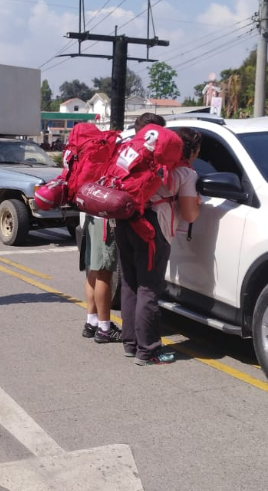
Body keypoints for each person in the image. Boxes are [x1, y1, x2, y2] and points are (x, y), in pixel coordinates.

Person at [114, 115, 201, 365]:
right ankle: (148, 351)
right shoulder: (184, 173)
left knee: (130, 284)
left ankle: (130, 344)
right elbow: (189, 214)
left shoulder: (146, 161)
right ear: (191, 150)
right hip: (153, 229)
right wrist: (197, 202)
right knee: (149, 288)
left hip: (125, 219)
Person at [80, 212, 122, 343]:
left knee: (94, 269)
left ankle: (92, 321)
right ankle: (104, 328)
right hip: (105, 221)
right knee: (104, 274)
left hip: (92, 217)